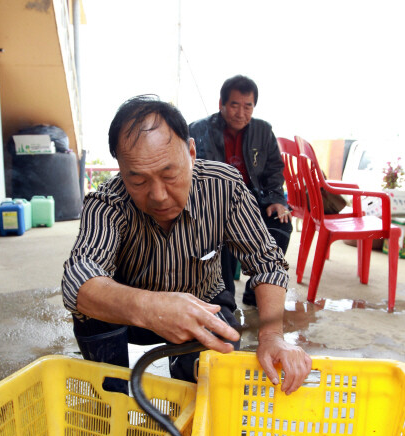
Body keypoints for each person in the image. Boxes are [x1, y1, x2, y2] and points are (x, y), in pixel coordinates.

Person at [62, 95, 311, 394]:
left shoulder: (225, 187)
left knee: (214, 371)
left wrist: (272, 335)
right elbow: (78, 278)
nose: (158, 196)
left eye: (170, 174)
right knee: (92, 322)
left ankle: (190, 392)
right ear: (120, 170)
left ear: (192, 153)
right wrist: (150, 306)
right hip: (127, 313)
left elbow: (266, 262)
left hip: (202, 303)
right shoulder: (107, 202)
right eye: (138, 181)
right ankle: (112, 399)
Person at [189, 75, 292, 305]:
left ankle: (256, 291)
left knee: (281, 222)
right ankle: (222, 297)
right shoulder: (198, 129)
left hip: (255, 202)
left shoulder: (263, 131)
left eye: (248, 106)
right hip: (215, 204)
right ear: (221, 104)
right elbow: (191, 172)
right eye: (235, 105)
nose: (241, 112)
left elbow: (275, 169)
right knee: (215, 235)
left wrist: (277, 199)